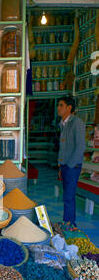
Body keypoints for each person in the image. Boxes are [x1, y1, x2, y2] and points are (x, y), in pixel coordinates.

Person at [57, 97, 85, 227]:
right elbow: (63, 147)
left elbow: (80, 147)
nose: (58, 108)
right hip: (65, 165)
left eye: (61, 105)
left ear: (69, 108)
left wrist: (70, 165)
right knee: (66, 196)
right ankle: (67, 222)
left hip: (72, 166)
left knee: (69, 197)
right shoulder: (62, 123)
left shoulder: (76, 123)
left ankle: (70, 224)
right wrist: (60, 165)